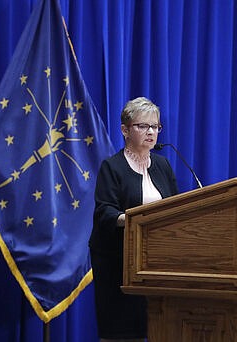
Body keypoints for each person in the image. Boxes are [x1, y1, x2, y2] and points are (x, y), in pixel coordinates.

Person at [89, 97, 179, 341]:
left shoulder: (163, 166)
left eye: (155, 127)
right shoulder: (112, 167)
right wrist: (137, 220)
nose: (151, 132)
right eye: (143, 126)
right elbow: (104, 212)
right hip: (119, 263)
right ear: (125, 130)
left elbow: (177, 207)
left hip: (157, 264)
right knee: (126, 333)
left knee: (157, 328)